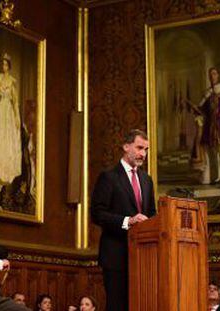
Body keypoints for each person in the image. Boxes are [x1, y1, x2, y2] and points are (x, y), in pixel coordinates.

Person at [91, 129, 156, 311]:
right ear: (126, 147)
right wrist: (128, 221)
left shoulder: (146, 180)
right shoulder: (109, 177)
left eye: (146, 149)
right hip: (116, 255)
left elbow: (151, 213)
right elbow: (97, 213)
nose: (143, 154)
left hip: (142, 256)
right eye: (139, 148)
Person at [0, 53, 22, 184]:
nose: (4, 66)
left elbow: (15, 102)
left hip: (8, 112)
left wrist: (17, 117)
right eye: (3, 64)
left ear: (9, 66)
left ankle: (7, 169)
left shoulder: (12, 81)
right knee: (0, 137)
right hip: (0, 111)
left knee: (7, 137)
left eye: (6, 64)